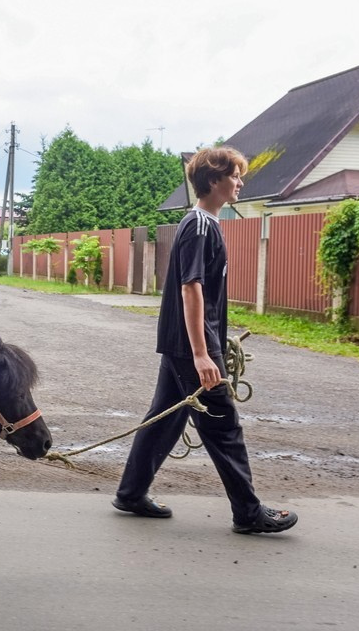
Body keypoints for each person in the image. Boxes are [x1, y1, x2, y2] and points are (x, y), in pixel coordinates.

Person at [113, 146, 297, 534]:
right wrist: (202, 353)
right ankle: (248, 513)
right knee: (223, 427)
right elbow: (191, 288)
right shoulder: (199, 225)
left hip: (184, 344)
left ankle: (130, 493)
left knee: (166, 417)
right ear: (214, 180)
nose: (240, 183)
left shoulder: (205, 223)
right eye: (235, 176)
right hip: (191, 348)